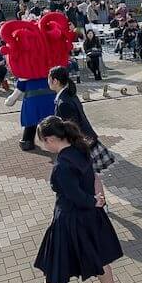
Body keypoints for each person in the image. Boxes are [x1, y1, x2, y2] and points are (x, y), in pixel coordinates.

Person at [33, 116, 125, 283]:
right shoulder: (80, 149)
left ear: (51, 139)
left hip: (68, 222)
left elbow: (75, 196)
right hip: (90, 219)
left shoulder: (61, 166)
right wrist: (98, 200)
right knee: (100, 260)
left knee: (54, 273)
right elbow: (93, 179)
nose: (43, 146)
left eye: (43, 142)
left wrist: (93, 201)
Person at [50, 66, 115, 201]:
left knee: (91, 177)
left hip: (82, 144)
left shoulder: (63, 102)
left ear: (55, 81)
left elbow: (73, 129)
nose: (48, 82)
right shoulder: (69, 95)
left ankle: (99, 203)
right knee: (93, 176)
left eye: (49, 79)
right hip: (87, 140)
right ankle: (100, 203)